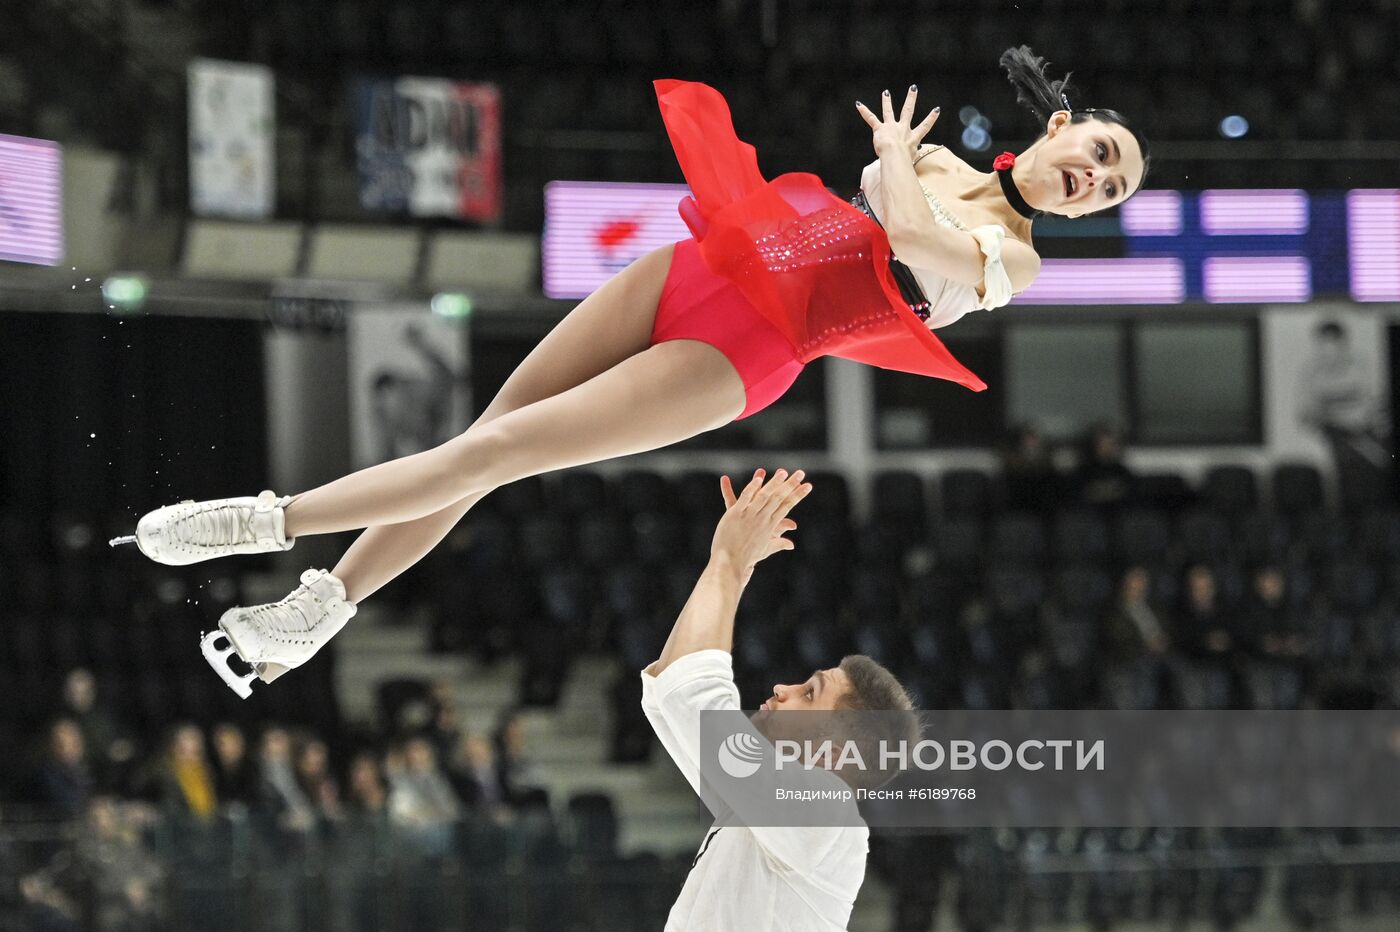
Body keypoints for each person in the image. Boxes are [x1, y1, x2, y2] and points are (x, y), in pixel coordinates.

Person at [113, 48, 1148, 697]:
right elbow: (894, 197)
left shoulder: (1012, 257)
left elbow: (913, 236)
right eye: (1098, 149)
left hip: (747, 348)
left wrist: (892, 161)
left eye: (1106, 190)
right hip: (712, 261)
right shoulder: (945, 164)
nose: (1093, 176)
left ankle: (261, 520)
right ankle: (315, 610)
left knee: (499, 452)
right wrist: (895, 170)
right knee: (484, 435)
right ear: (1059, 124)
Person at [643, 469, 919, 931]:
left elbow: (694, 701)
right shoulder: (777, 809)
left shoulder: (825, 809)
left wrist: (728, 562)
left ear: (833, 752)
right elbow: (669, 691)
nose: (782, 689)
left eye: (810, 693)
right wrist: (730, 567)